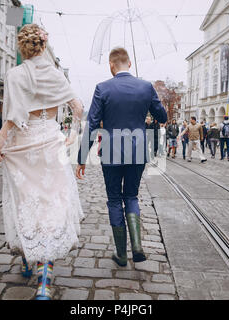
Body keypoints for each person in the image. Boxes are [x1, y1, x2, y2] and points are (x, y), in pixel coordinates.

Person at [0, 24, 84, 300]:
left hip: (24, 146)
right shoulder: (55, 75)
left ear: (22, 47)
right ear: (43, 46)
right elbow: (77, 107)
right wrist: (72, 134)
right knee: (51, 204)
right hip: (51, 143)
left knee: (26, 202)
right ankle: (45, 280)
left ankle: (27, 257)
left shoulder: (15, 74)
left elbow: (14, 115)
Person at [76, 47, 167, 271]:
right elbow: (162, 116)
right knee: (132, 196)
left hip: (111, 151)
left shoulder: (103, 88)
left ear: (111, 65)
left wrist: (81, 158)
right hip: (137, 152)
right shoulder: (146, 87)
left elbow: (93, 123)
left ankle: (121, 252)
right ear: (130, 64)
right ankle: (137, 245)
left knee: (115, 199)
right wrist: (146, 107)